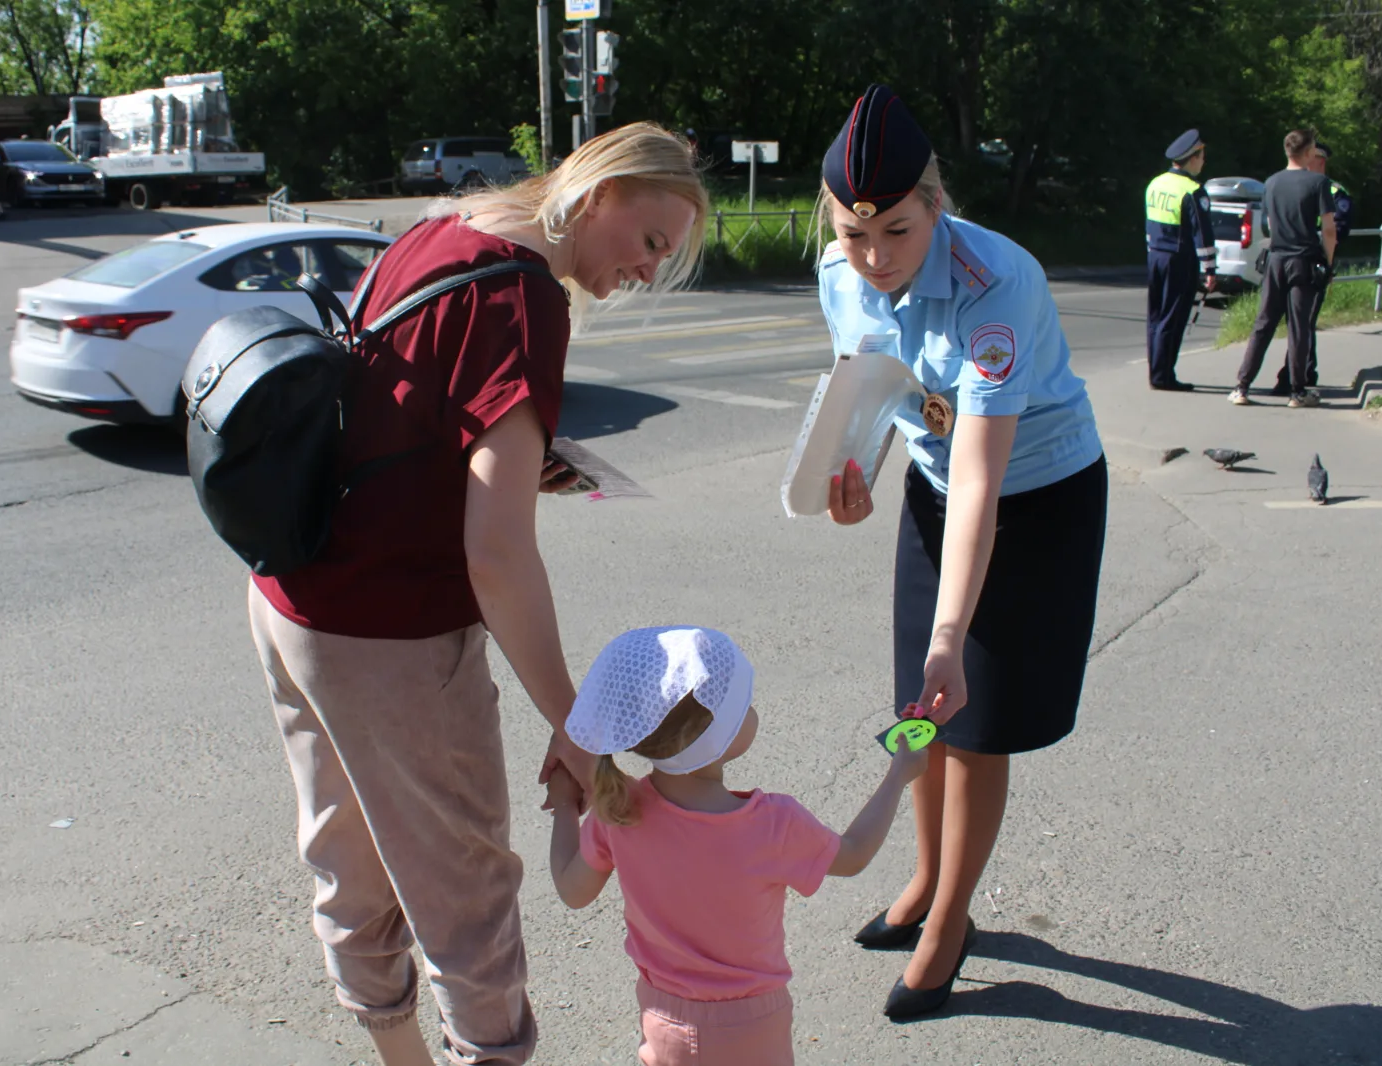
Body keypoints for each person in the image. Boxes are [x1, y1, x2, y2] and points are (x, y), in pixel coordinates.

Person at [246, 122, 706, 1066]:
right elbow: (496, 556)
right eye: (652, 242)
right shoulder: (528, 297)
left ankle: (399, 1056)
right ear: (601, 192)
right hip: (393, 637)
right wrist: (576, 725)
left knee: (352, 863)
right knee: (468, 900)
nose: (651, 271)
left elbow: (398, 404)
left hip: (293, 595)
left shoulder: (451, 225)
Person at [814, 84, 1108, 1020]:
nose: (876, 258)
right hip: (938, 490)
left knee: (970, 721)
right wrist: (855, 472)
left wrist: (953, 631)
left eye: (896, 232)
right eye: (856, 236)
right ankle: (924, 880)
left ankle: (950, 922)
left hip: (1036, 498)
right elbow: (875, 395)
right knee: (920, 711)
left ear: (934, 206)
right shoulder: (839, 272)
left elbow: (986, 474)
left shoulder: (997, 281)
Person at [544, 626, 928, 1066]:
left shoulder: (619, 810)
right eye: (743, 705)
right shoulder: (772, 824)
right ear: (717, 737)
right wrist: (898, 775)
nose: (753, 709)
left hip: (662, 1021)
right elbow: (854, 853)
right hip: (751, 1030)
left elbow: (573, 891)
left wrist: (562, 807)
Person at [1230, 127, 1337, 409]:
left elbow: (1269, 224)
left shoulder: (1271, 183)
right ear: (1309, 151)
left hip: (1276, 259)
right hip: (1303, 261)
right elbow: (1328, 229)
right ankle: (1297, 392)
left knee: (1263, 324)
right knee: (1299, 327)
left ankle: (1242, 386)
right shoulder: (1318, 184)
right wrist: (1328, 262)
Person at [1272, 140, 1354, 396]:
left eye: (1313, 157)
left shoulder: (1333, 192)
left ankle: (1290, 377)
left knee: (1303, 319)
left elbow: (1338, 228)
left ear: (1321, 161)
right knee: (1301, 319)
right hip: (1290, 259)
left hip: (1315, 261)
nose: (1307, 161)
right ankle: (1307, 370)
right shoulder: (1294, 185)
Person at [1143, 128, 1216, 391]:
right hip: (1179, 260)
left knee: (1156, 315)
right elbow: (1203, 234)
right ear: (1192, 158)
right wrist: (1210, 269)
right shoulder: (1193, 190)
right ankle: (1163, 376)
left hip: (1155, 257)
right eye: (1202, 156)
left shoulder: (1156, 183)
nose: (1204, 161)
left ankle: (1155, 370)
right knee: (1172, 317)